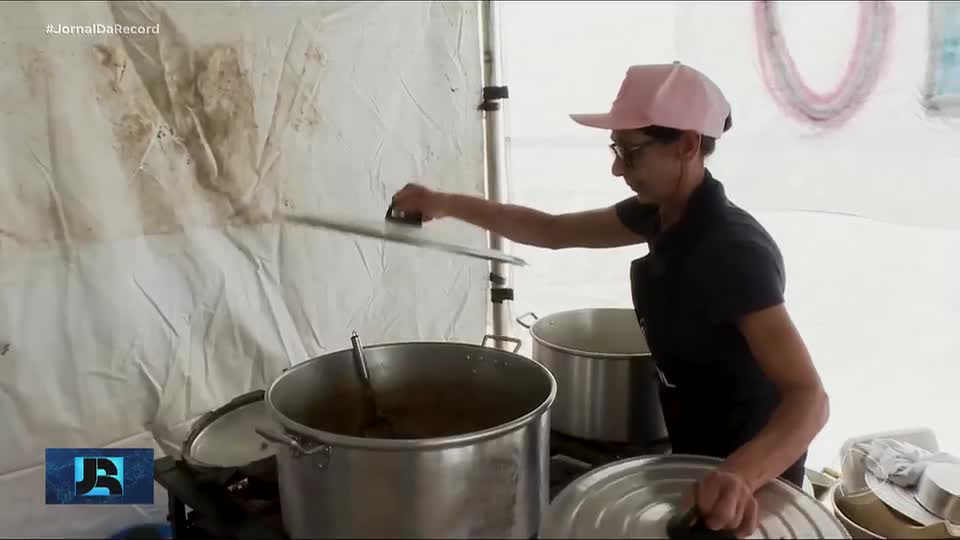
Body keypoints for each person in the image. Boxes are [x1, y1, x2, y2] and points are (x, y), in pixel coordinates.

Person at [390, 62, 829, 537]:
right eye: (616, 149)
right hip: (695, 453)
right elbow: (552, 231)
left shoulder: (732, 251)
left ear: (686, 144)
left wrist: (740, 475)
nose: (617, 167)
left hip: (751, 474)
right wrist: (446, 203)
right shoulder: (659, 216)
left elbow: (809, 399)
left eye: (631, 152)